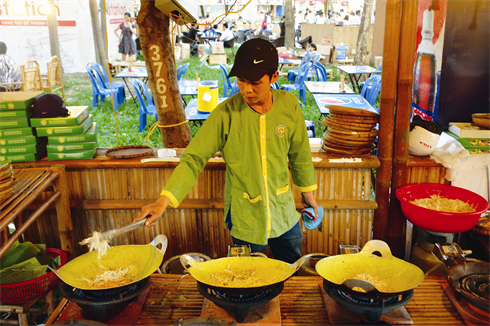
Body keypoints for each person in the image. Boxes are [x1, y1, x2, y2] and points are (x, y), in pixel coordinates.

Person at [135, 39, 319, 264]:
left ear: (273, 77)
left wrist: (308, 193)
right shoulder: (225, 114)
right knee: (248, 277)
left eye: (254, 82)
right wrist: (163, 201)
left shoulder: (289, 105)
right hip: (245, 217)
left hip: (284, 212)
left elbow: (300, 153)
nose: (246, 89)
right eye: (241, 80)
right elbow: (193, 159)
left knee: (292, 270)